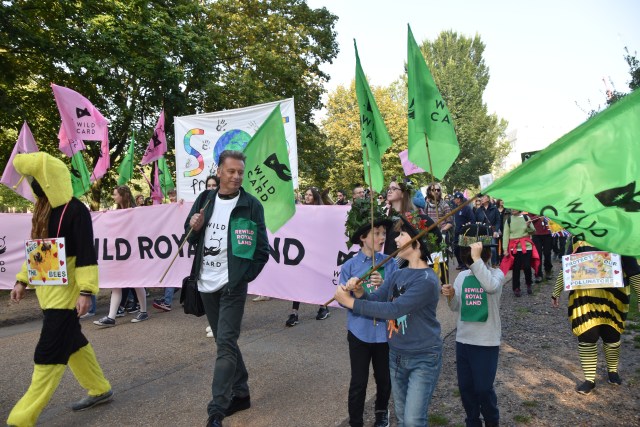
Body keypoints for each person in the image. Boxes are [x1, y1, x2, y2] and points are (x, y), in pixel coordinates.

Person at [7, 152, 112, 426]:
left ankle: (22, 417)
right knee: (73, 343)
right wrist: (21, 280)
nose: (33, 184)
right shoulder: (43, 209)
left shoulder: (76, 210)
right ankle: (99, 388)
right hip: (47, 292)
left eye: (36, 178)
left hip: (65, 298)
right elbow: (37, 253)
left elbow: (86, 253)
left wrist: (87, 291)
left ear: (49, 179)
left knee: (49, 352)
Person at [186, 150, 269, 427]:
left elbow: (262, 250)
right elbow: (190, 236)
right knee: (227, 341)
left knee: (224, 344)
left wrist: (243, 277)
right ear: (219, 171)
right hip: (205, 283)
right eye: (231, 171)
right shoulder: (205, 199)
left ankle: (217, 409)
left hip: (232, 285)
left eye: (240, 172)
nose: (236, 177)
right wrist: (193, 226)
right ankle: (242, 393)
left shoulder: (251, 205)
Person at [335, 213, 442, 427]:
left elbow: (393, 309)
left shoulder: (426, 279)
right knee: (403, 418)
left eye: (401, 234)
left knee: (412, 420)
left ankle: (382, 414)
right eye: (380, 233)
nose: (393, 238)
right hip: (397, 354)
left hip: (421, 356)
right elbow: (375, 299)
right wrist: (358, 292)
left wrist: (350, 303)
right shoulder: (398, 274)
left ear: (417, 241)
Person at [551, 241, 640, 395]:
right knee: (587, 336)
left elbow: (633, 270)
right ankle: (589, 379)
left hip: (614, 299)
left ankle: (612, 371)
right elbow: (568, 265)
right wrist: (556, 291)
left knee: (612, 336)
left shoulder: (618, 236)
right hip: (585, 298)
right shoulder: (577, 236)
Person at [341, 199, 397, 427]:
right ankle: (355, 421)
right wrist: (353, 290)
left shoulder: (391, 264)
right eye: (376, 233)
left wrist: (384, 284)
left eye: (383, 233)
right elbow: (343, 301)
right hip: (359, 332)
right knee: (359, 382)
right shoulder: (350, 266)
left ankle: (381, 413)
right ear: (363, 237)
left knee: (384, 380)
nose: (382, 237)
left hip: (384, 332)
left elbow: (393, 299)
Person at [442, 225, 505, 427]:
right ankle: (472, 421)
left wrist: (477, 261)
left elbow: (490, 287)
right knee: (466, 388)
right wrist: (451, 296)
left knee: (483, 388)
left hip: (486, 342)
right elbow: (456, 307)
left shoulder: (496, 274)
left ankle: (491, 420)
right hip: (464, 340)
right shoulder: (462, 277)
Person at [94, 186, 149, 326]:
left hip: (133, 252)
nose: (113, 197)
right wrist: (105, 217)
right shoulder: (116, 212)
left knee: (136, 282)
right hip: (120, 253)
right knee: (116, 283)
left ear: (123, 196)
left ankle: (143, 311)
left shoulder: (136, 211)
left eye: (115, 194)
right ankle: (111, 317)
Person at [286, 187, 330, 326]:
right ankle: (294, 312)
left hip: (317, 252)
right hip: (302, 251)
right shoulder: (299, 211)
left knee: (318, 280)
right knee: (298, 280)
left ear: (315, 198)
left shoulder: (322, 212)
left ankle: (323, 306)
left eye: (310, 195)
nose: (307, 197)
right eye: (306, 194)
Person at [500, 209, 538, 297]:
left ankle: (529, 283)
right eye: (511, 208)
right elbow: (506, 235)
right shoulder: (509, 220)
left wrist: (529, 226)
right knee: (516, 268)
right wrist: (505, 249)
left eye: (514, 207)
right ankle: (516, 288)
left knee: (527, 266)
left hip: (527, 246)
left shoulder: (526, 217)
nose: (512, 209)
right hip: (514, 248)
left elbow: (533, 231)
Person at [474, 195, 501, 266]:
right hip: (482, 232)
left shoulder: (494, 209)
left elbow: (498, 221)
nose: (482, 199)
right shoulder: (479, 210)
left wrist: (496, 231)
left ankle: (494, 264)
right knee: (482, 250)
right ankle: (484, 265)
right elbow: (475, 221)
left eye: (484, 197)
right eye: (481, 198)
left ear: (488, 199)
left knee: (492, 249)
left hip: (492, 231)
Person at [452, 192, 476, 270]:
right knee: (456, 249)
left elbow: (472, 220)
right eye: (455, 198)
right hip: (456, 232)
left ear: (460, 199)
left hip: (464, 233)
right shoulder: (454, 208)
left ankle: (464, 265)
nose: (455, 200)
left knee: (463, 250)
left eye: (456, 199)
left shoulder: (467, 208)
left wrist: (468, 228)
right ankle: (460, 263)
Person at [529, 214, 553, 283]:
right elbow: (529, 219)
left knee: (547, 253)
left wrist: (546, 217)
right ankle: (538, 274)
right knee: (538, 255)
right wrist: (538, 217)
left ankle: (548, 270)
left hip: (548, 233)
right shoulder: (533, 206)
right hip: (536, 235)